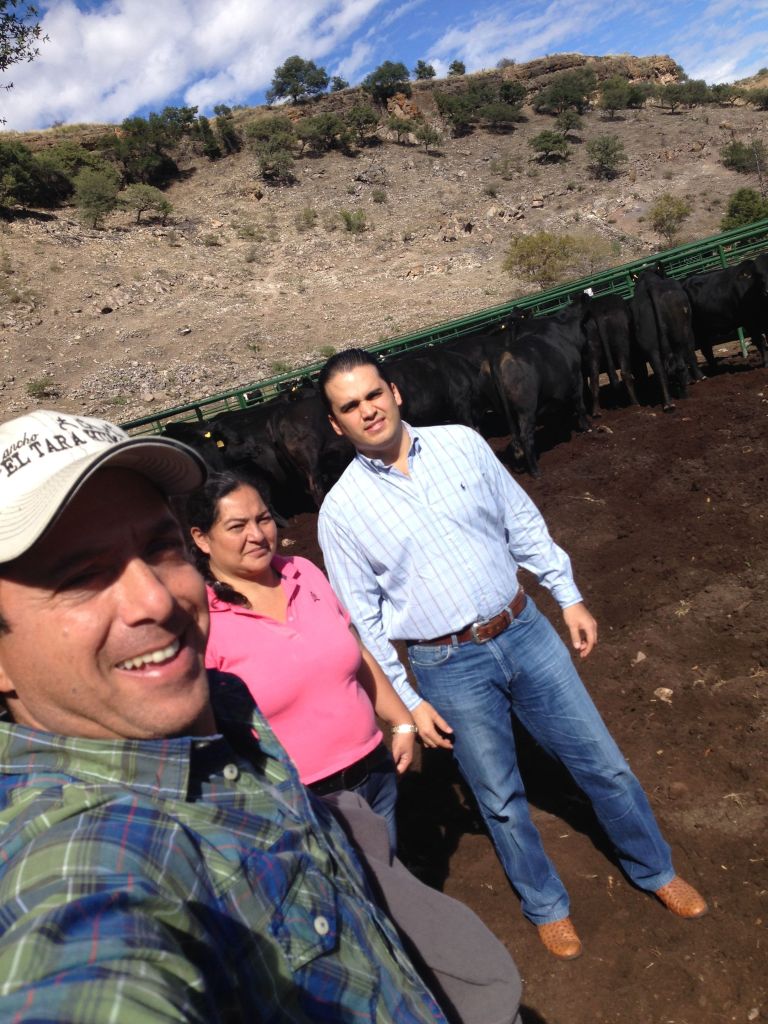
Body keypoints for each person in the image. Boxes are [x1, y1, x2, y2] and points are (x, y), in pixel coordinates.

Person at [0, 410, 522, 1024]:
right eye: (80, 577)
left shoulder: (223, 702)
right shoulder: (74, 870)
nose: (157, 599)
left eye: (159, 548)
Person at [316, 348, 709, 961]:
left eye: (372, 394)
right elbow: (363, 621)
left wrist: (567, 595)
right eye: (350, 407)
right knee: (498, 797)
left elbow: (520, 521)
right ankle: (546, 905)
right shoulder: (341, 512)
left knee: (603, 762)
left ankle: (655, 869)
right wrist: (407, 701)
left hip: (524, 629)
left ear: (395, 392)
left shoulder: (462, 444)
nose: (367, 410)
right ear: (337, 424)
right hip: (448, 664)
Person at [184, 470, 417, 853]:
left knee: (390, 878)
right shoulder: (202, 621)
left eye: (262, 519)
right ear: (201, 538)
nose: (257, 535)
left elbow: (355, 651)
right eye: (237, 526)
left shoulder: (302, 572)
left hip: (375, 773)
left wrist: (401, 721)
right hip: (299, 803)